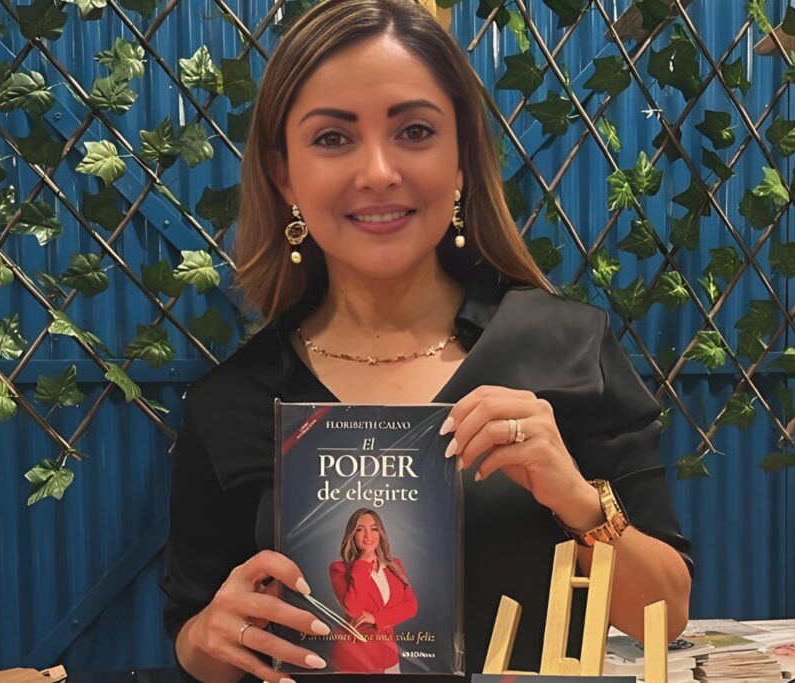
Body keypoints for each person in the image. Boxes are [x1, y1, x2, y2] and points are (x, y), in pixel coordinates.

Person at [160, 0, 694, 682]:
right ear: (284, 173)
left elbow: (667, 609)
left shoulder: (566, 347)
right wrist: (208, 637)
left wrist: (576, 499)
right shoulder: (230, 400)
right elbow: (190, 630)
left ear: (463, 157)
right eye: (332, 138)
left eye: (414, 130)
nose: (378, 171)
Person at [327, 509, 418, 673]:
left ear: (381, 533)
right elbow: (353, 610)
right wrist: (363, 562)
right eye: (360, 529)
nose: (368, 535)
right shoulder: (339, 569)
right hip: (353, 659)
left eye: (374, 528)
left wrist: (376, 618)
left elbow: (411, 607)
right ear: (352, 535)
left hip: (389, 658)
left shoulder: (395, 566)